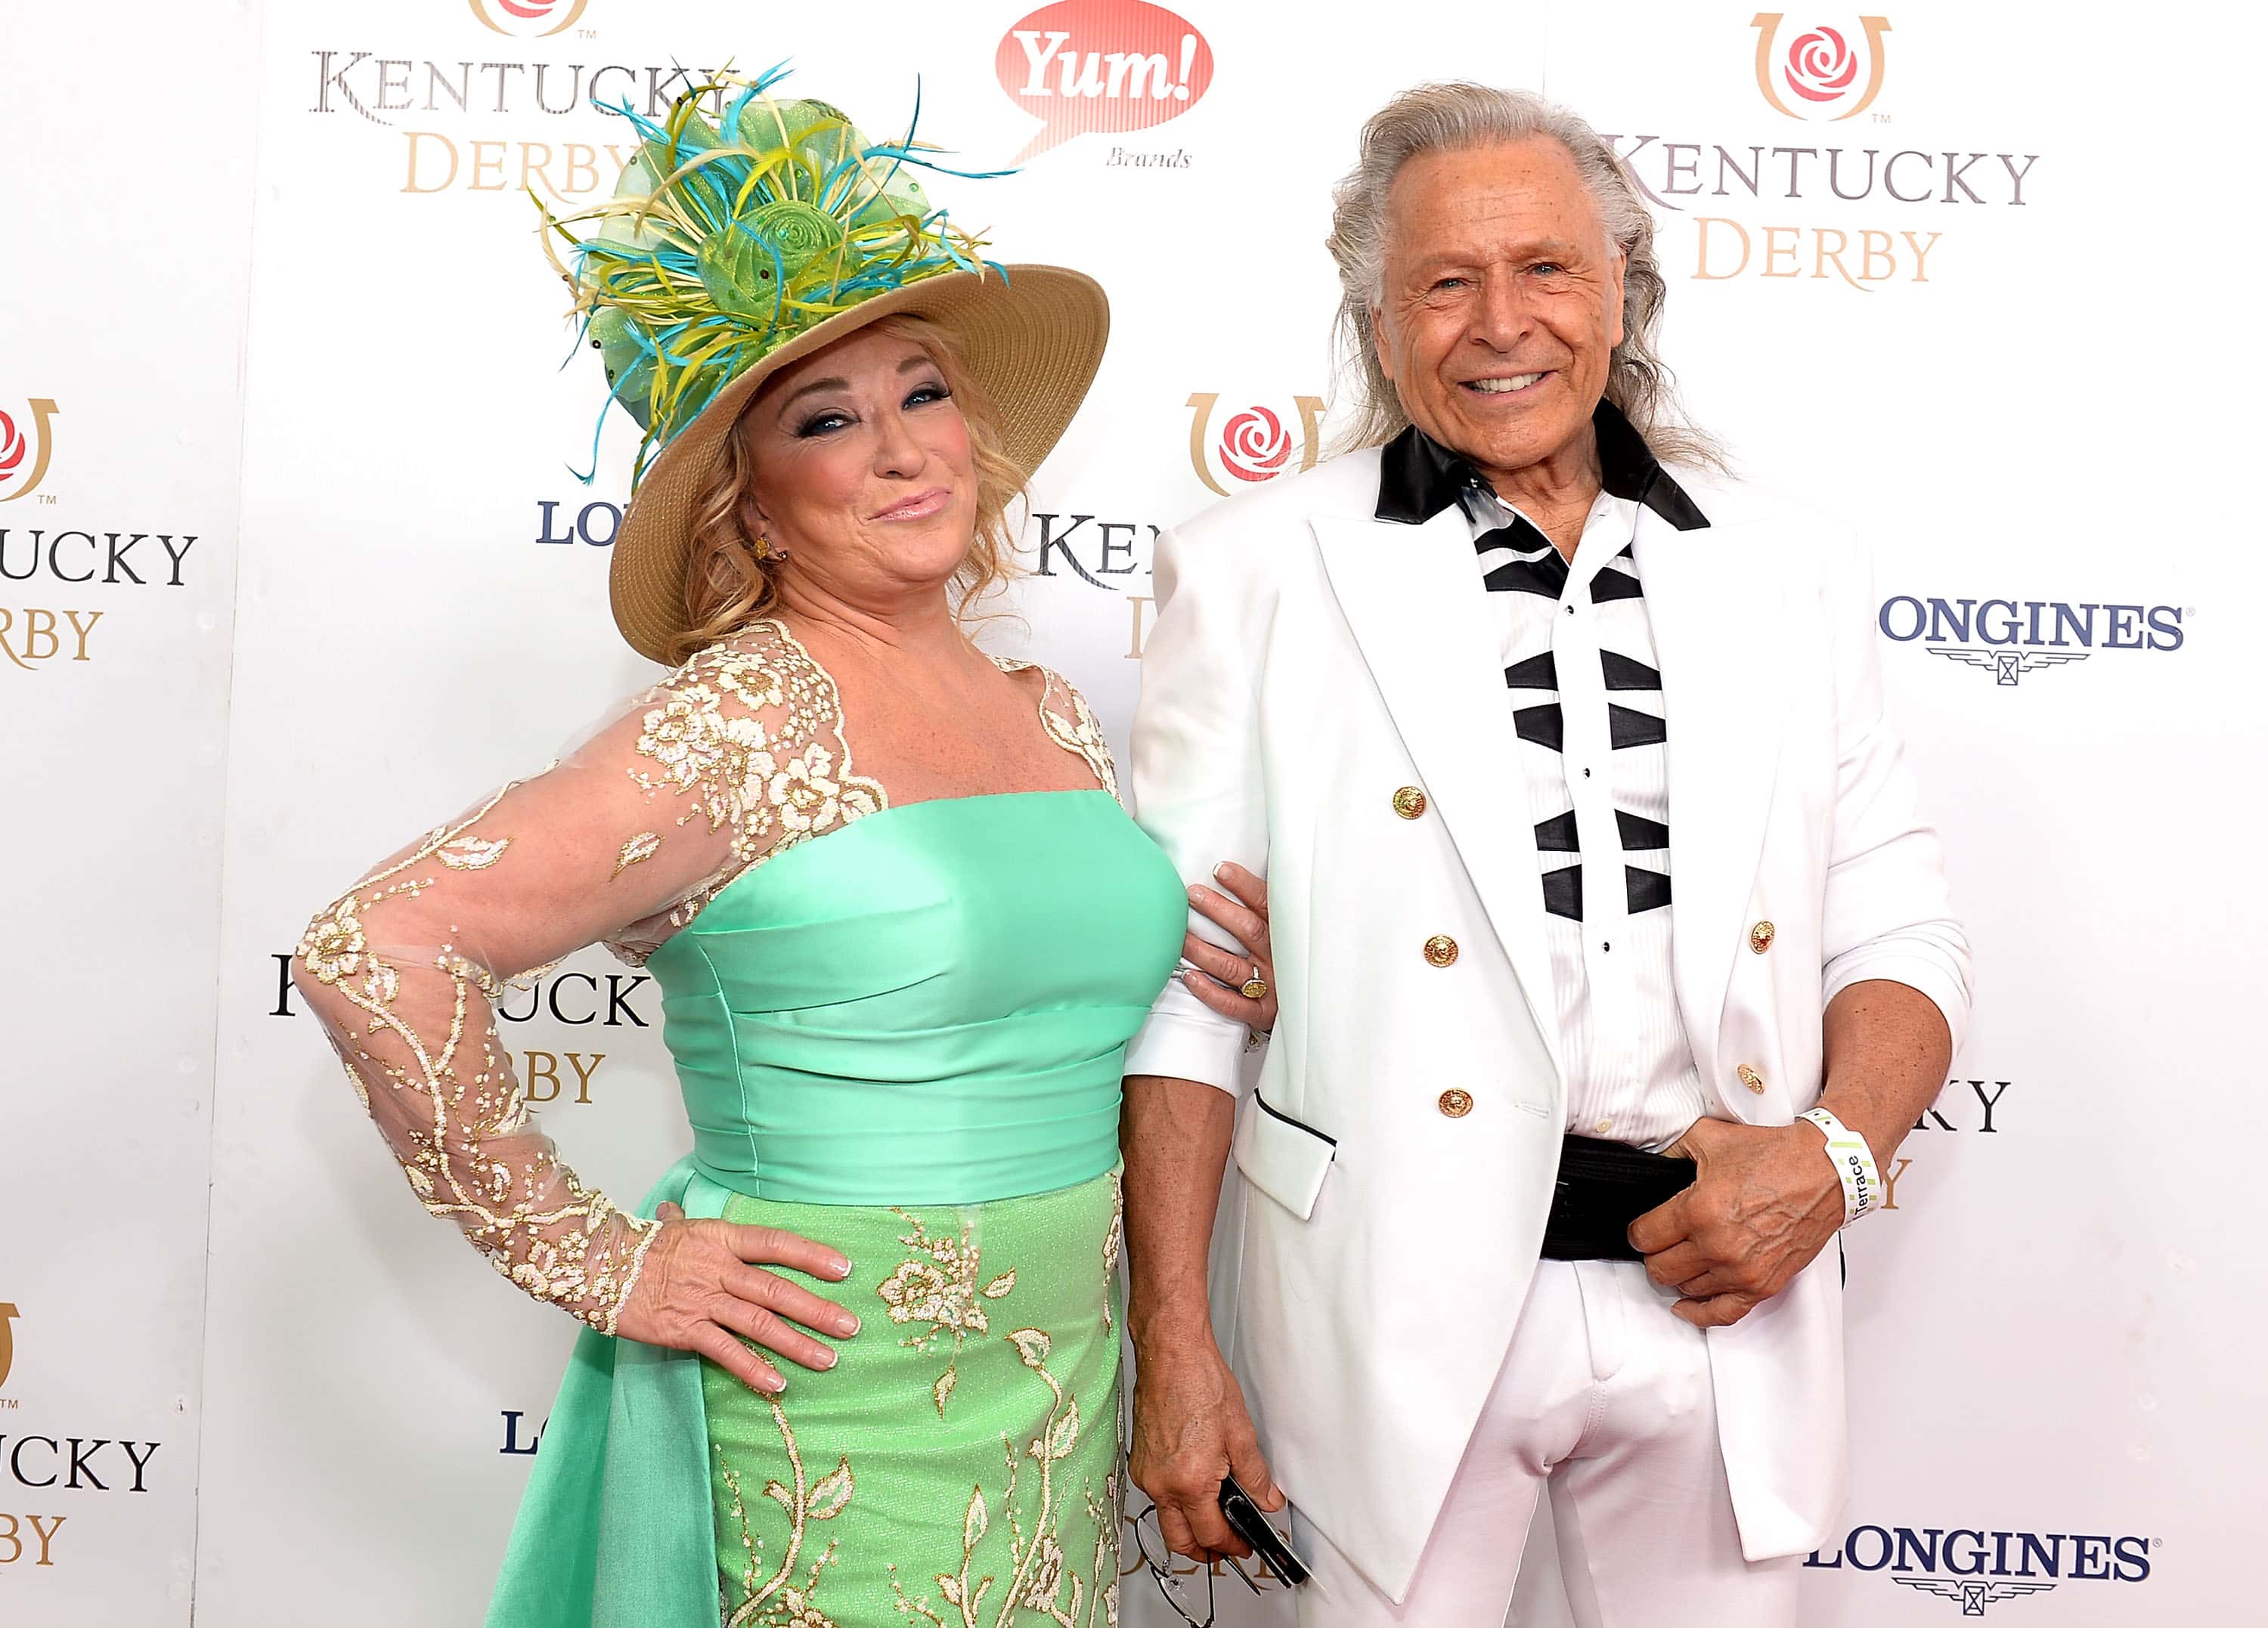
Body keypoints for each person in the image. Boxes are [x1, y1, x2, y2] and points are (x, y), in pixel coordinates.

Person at [290, 72, 1272, 1626]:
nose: (899, 452)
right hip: (827, 1399)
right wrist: (603, 1259)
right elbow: (378, 947)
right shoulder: (735, 724)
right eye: (828, 420)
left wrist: (1242, 969)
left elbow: (1095, 1010)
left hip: (1061, 1391)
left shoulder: (1050, 717)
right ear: (749, 506)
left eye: (922, 394)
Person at [1119, 82, 1973, 1627]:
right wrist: (1173, 1345)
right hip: (1385, 1305)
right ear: (1378, 323)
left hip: (1722, 1284)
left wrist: (1834, 1158)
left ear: (1621, 288)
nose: (1501, 323)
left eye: (1546, 269)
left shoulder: (1789, 564)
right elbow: (1182, 1000)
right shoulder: (1252, 571)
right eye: (1446, 281)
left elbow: (1897, 922)